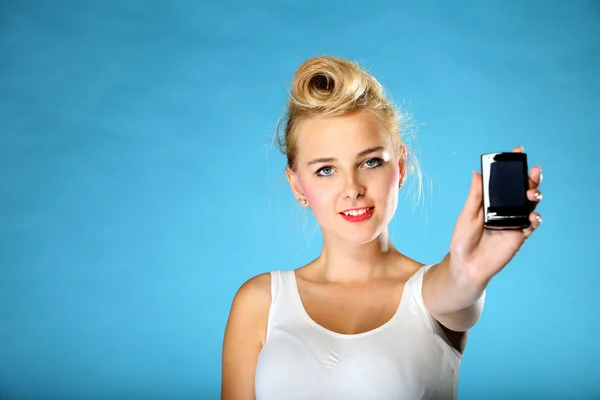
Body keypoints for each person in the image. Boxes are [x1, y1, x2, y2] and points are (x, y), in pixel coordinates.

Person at [221, 55, 543, 400]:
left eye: (370, 162)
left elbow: (459, 284)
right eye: (326, 170)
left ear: (400, 168)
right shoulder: (260, 302)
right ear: (297, 185)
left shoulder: (433, 295)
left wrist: (470, 271)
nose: (353, 188)